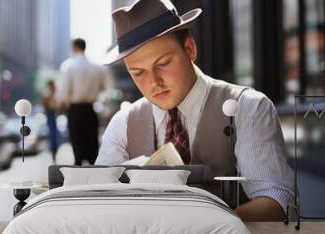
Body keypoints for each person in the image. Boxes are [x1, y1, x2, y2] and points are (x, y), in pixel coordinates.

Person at [95, 0, 294, 221]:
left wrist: (210, 226)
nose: (154, 82)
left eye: (163, 63)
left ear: (190, 48)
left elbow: (277, 200)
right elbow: (100, 202)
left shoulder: (248, 107)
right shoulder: (122, 123)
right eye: (138, 72)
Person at [58, 38, 112, 165]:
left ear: (74, 48)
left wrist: (61, 105)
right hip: (90, 109)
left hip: (75, 110)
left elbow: (63, 92)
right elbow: (108, 87)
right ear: (84, 47)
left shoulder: (68, 66)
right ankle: (95, 172)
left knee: (77, 143)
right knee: (92, 142)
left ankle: (79, 170)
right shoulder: (97, 68)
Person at [42, 80, 59, 164]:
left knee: (54, 136)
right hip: (51, 115)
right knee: (53, 137)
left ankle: (54, 154)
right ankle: (53, 154)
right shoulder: (48, 96)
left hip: (53, 116)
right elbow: (47, 107)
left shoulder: (52, 95)